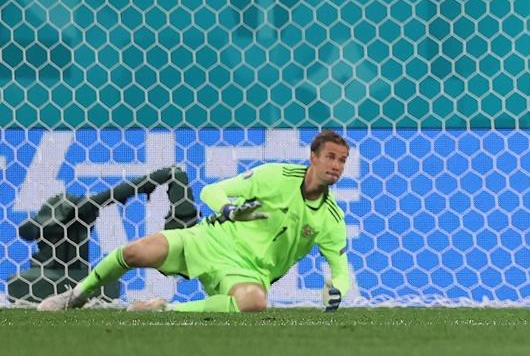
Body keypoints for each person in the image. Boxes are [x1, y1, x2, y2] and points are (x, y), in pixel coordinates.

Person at [38, 131, 353, 314]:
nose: (336, 166)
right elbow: (211, 191)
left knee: (255, 302)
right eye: (331, 157)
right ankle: (75, 296)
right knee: (135, 252)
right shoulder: (275, 175)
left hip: (247, 271)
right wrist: (229, 210)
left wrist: (336, 291)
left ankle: (163, 310)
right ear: (313, 157)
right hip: (208, 240)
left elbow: (340, 271)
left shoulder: (330, 219)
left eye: (342, 160)